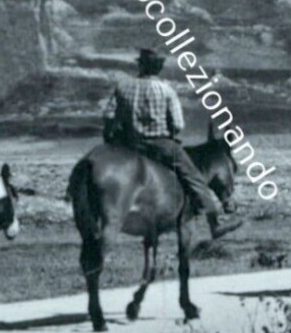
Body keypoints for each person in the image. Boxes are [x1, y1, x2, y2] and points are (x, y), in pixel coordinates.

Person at [102, 48, 242, 241]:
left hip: (129, 146)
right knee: (195, 179)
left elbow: (108, 116)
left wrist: (114, 135)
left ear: (140, 65)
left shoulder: (122, 87)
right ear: (159, 68)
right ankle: (215, 224)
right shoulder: (166, 90)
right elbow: (178, 125)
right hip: (160, 146)